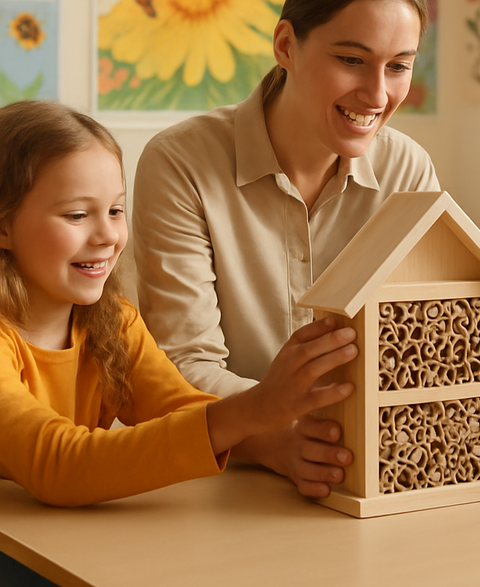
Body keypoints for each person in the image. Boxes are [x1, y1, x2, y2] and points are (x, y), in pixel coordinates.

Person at [133, 0, 439, 498]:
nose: (377, 93)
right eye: (351, 59)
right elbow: (181, 364)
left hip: (369, 470)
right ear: (286, 46)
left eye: (398, 67)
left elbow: (417, 353)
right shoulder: (180, 163)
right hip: (222, 485)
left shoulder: (409, 170)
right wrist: (274, 440)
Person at [0, 100, 358, 507]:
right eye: (78, 215)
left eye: (115, 210)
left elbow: (182, 411)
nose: (108, 236)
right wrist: (253, 409)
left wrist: (282, 443)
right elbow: (59, 464)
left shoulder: (113, 323)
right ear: (4, 226)